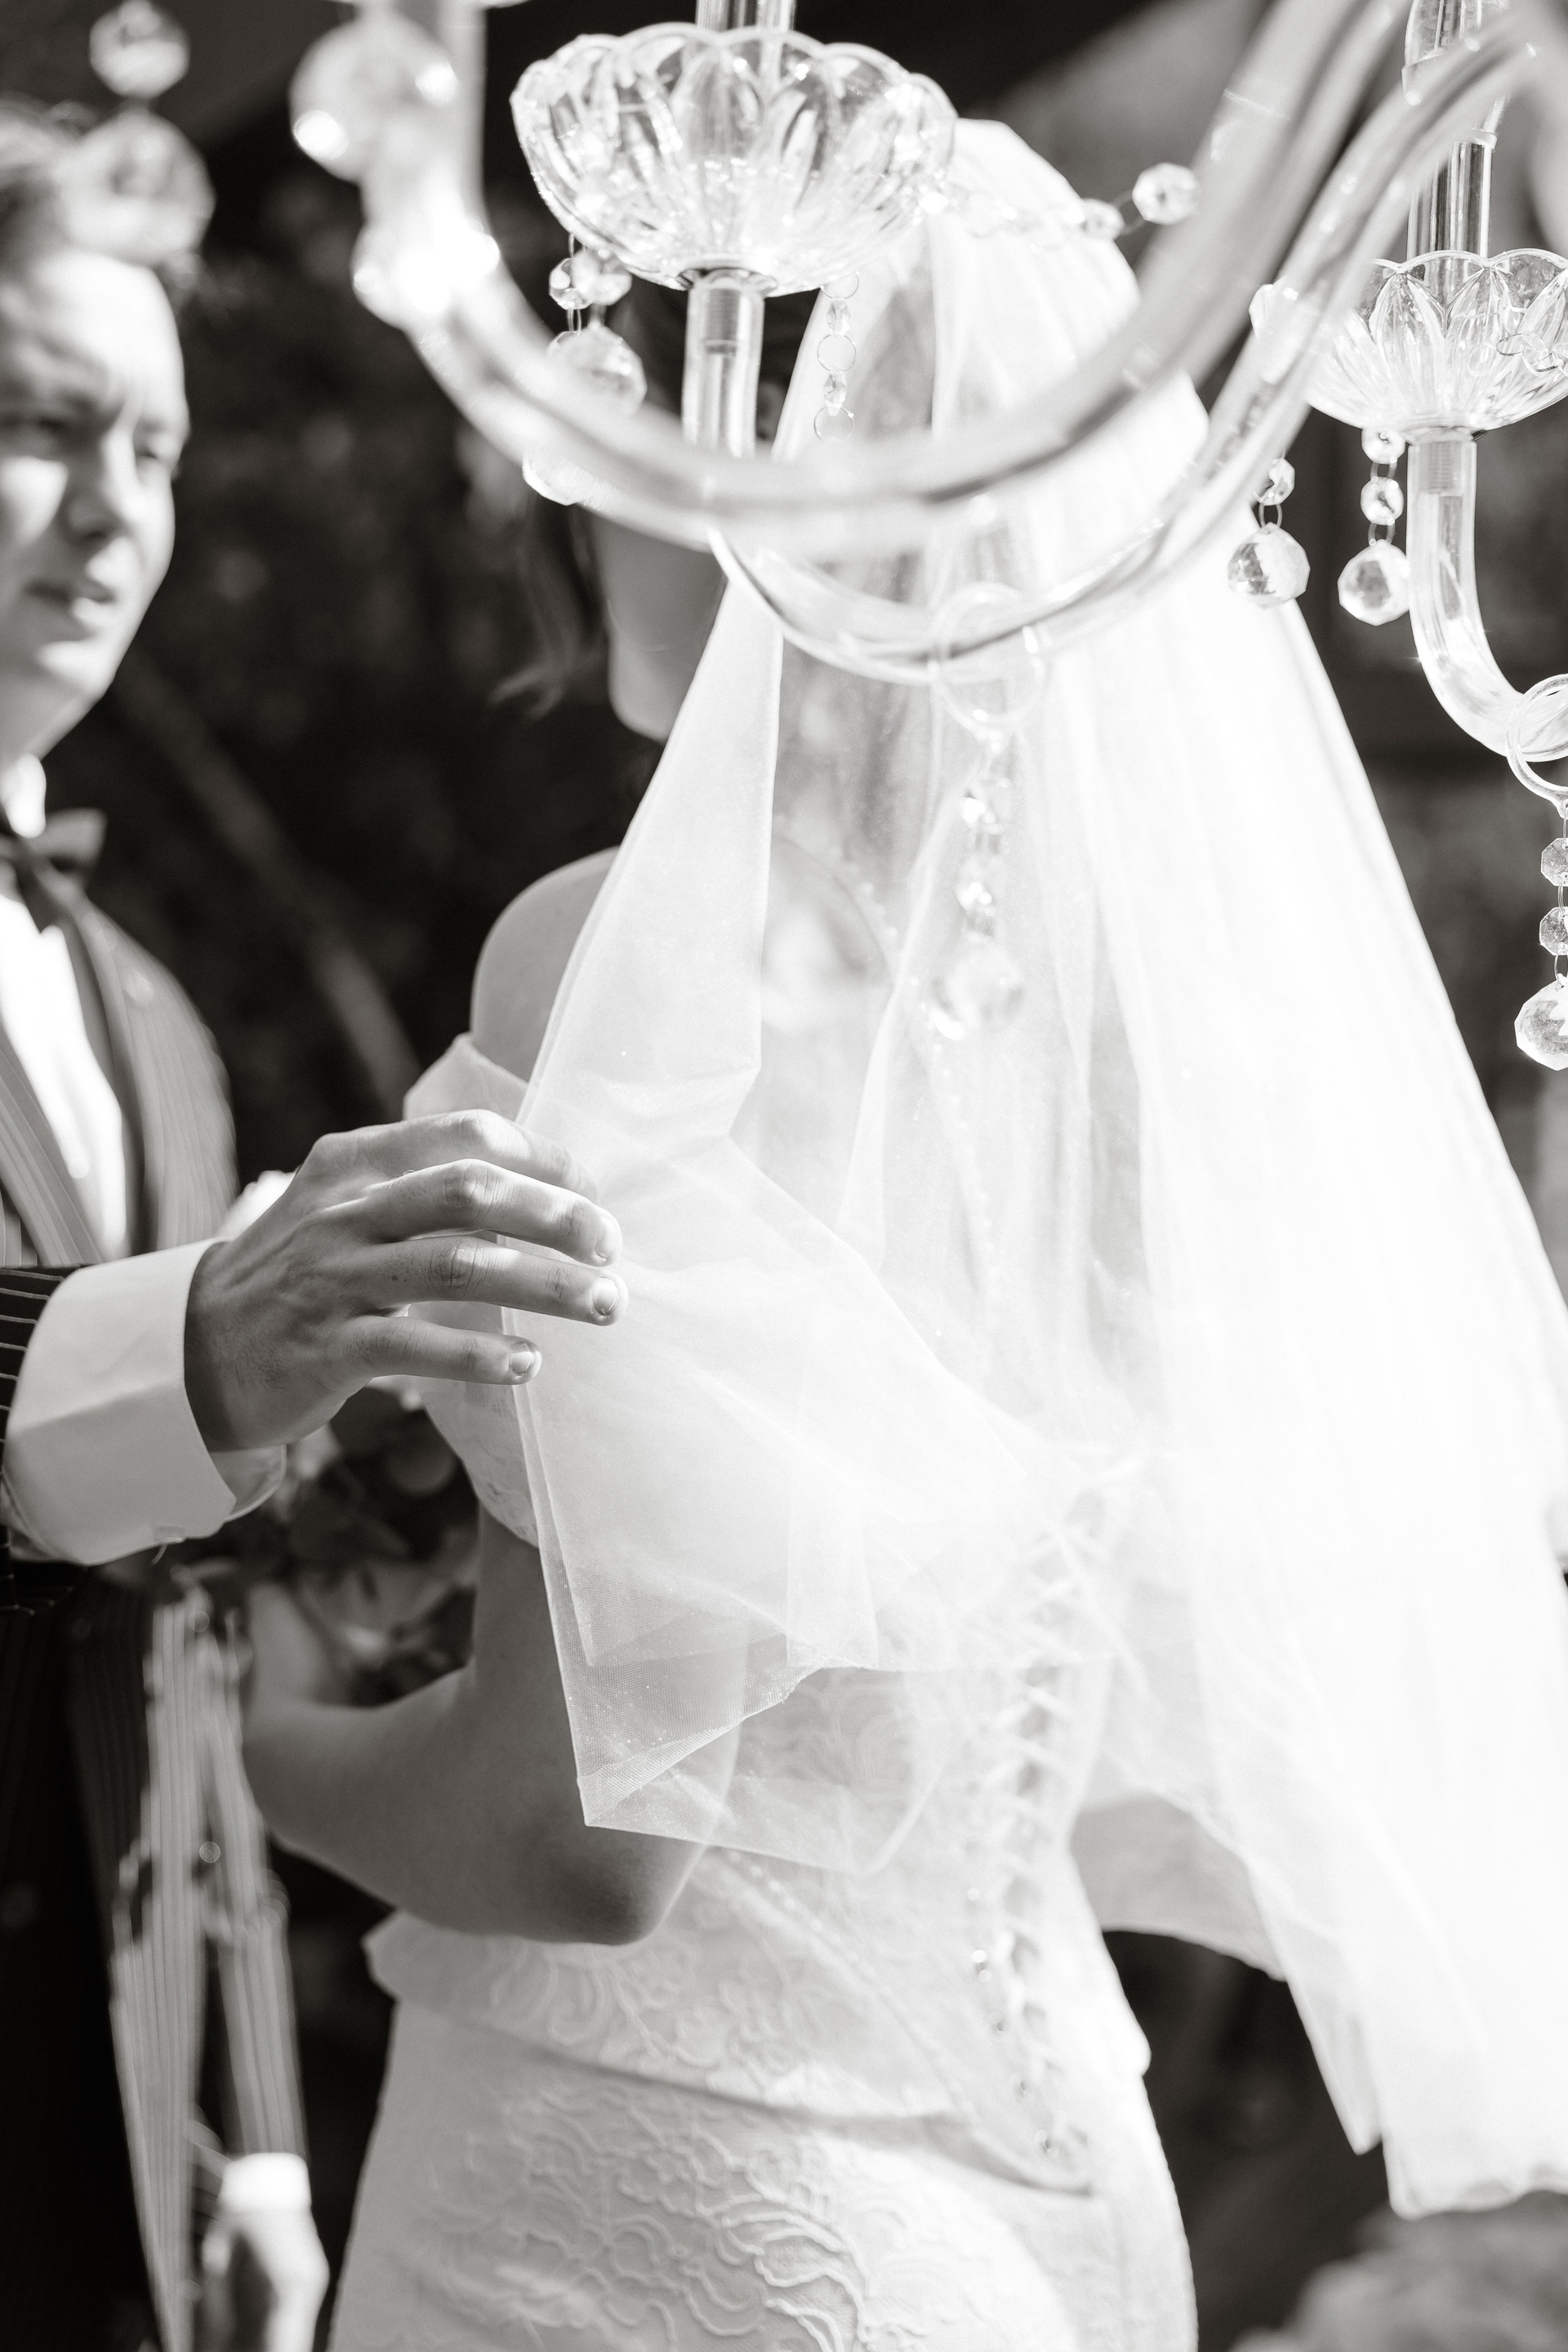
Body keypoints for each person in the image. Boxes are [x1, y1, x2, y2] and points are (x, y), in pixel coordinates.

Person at [246, 122, 1568, 2351]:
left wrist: (240, 1734)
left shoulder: (630, 970)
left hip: (653, 2198)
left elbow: (579, 1843)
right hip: (1070, 2207)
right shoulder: (1174, 1022)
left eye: (607, 405)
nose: (558, 489)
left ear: (765, 457)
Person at [0, 102, 626, 2352]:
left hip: (106, 2150)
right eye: (41, 424)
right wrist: (194, 1348)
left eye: (157, 448)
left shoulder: (145, 1014)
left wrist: (249, 2122)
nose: (116, 512)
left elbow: (170, 1635)